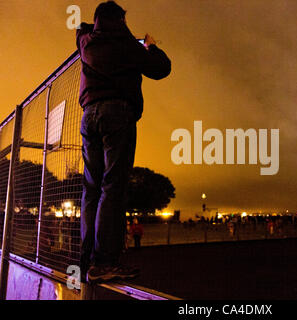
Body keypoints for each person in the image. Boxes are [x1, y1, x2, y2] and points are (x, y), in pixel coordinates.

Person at [77, 1, 171, 283]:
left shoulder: (85, 42)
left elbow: (80, 30)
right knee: (112, 186)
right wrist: (149, 46)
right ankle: (105, 261)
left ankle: (87, 261)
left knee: (91, 188)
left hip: (88, 115)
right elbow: (161, 68)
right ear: (121, 21)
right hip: (117, 113)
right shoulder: (127, 46)